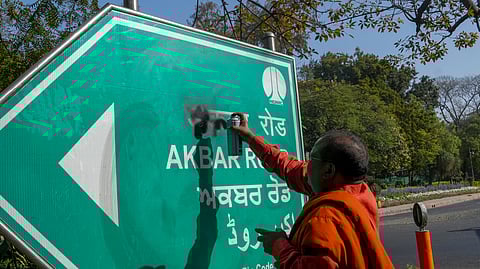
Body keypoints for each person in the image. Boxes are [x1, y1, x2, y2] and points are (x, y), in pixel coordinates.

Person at [231, 113, 394, 269]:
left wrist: (279, 247)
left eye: (312, 159)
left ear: (328, 170)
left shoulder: (326, 217)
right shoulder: (358, 192)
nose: (306, 165)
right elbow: (287, 166)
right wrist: (251, 138)